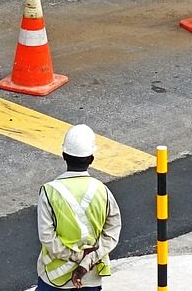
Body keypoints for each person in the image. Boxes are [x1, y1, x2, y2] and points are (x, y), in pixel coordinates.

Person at [35, 124, 121, 290]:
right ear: (91, 159)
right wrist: (86, 261)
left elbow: (47, 236)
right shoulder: (102, 191)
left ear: (64, 155)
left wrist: (75, 255)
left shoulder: (49, 191)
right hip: (89, 278)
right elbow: (112, 232)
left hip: (54, 277)